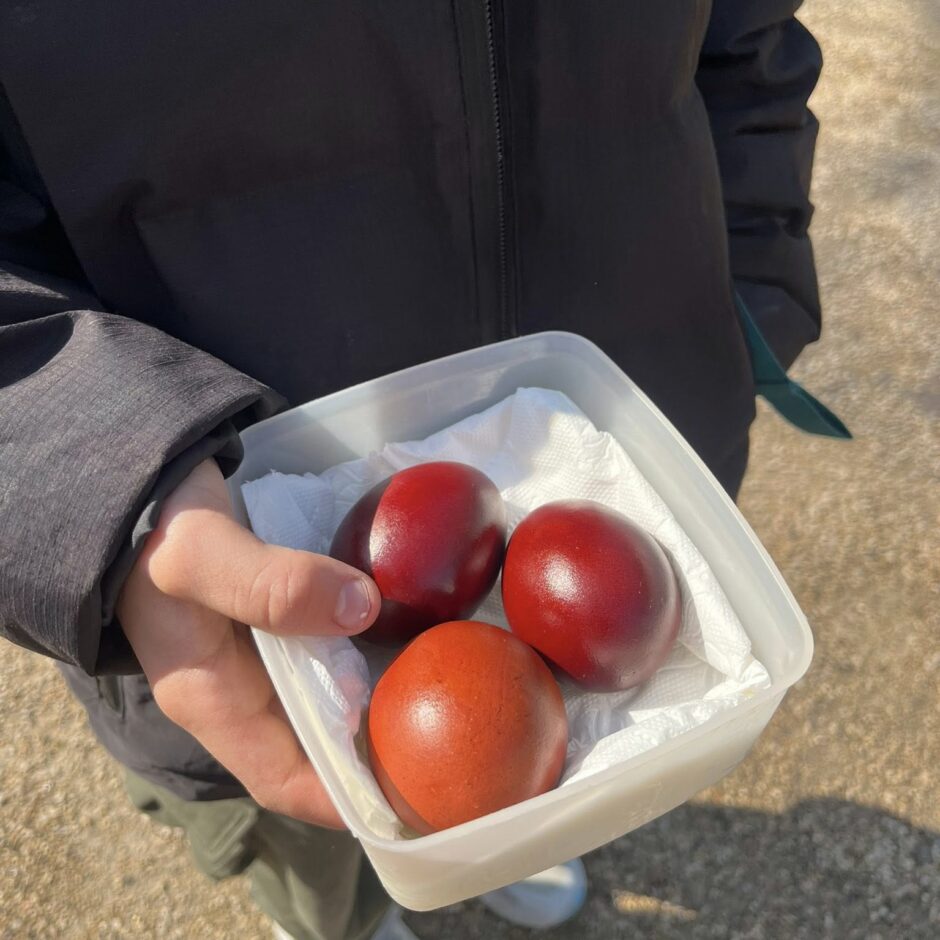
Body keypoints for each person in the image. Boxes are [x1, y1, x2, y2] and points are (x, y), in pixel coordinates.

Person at [0, 3, 827, 938]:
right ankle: (345, 918)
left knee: (518, 773)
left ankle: (499, 819)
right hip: (223, 549)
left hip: (627, 406)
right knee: (316, 835)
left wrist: (751, 299)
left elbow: (747, 46)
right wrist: (106, 473)